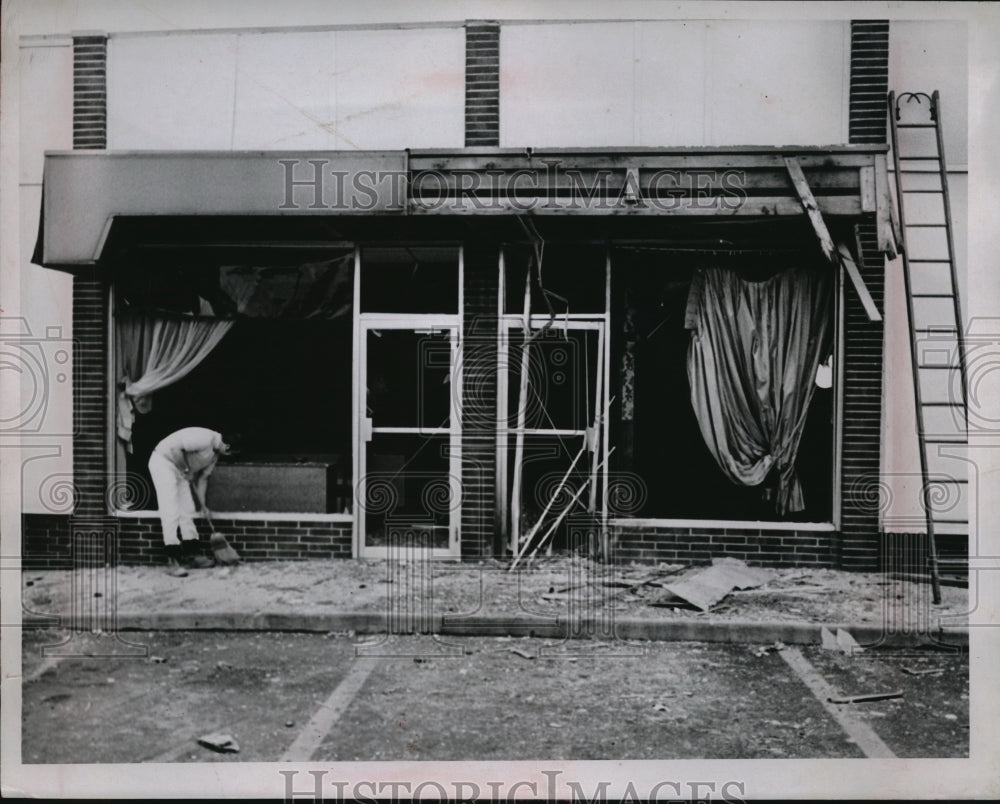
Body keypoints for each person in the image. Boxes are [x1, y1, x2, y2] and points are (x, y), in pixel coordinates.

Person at [148, 427, 235, 576]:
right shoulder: (204, 438)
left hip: (181, 470)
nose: (229, 454)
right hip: (163, 462)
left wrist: (204, 507)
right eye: (230, 451)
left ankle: (192, 555)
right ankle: (173, 560)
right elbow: (175, 449)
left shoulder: (215, 455)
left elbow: (202, 479)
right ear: (226, 446)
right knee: (170, 509)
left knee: (187, 510)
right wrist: (186, 470)